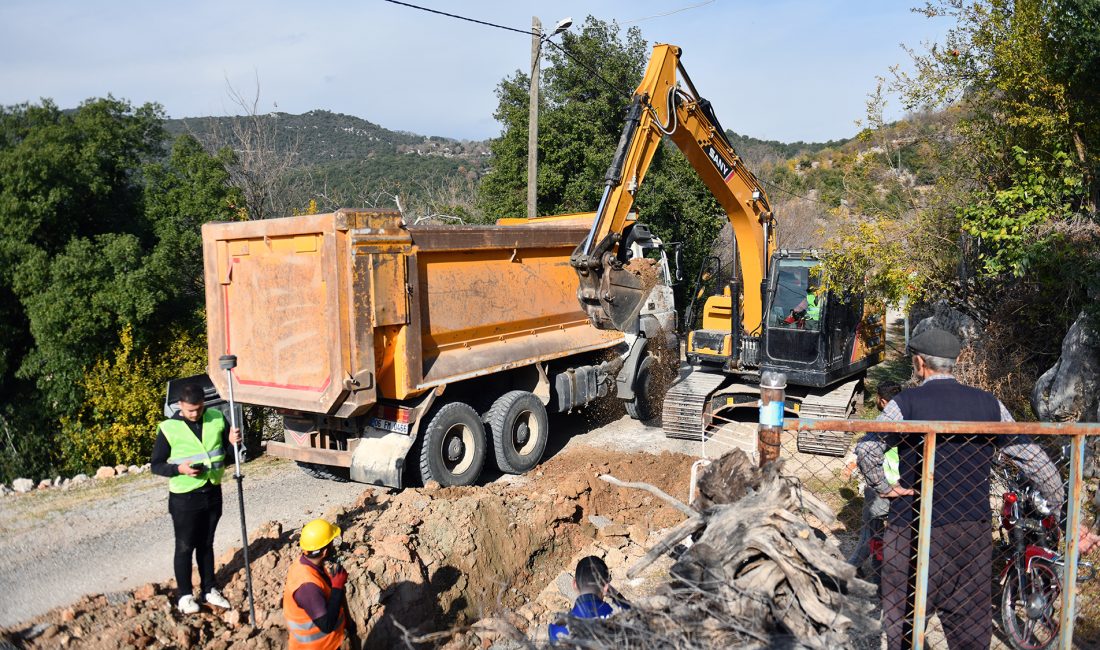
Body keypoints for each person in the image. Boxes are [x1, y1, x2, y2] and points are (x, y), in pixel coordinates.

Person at [856, 328, 1066, 649]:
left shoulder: (905, 403)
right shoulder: (989, 404)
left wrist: (885, 487)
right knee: (970, 625)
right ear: (954, 362)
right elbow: (1032, 457)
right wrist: (1060, 509)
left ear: (919, 363)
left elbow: (868, 448)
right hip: (970, 533)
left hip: (913, 528)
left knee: (906, 624)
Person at [150, 382, 240, 615]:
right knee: (184, 546)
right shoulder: (169, 428)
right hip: (184, 497)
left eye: (199, 408)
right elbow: (156, 465)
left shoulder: (217, 418)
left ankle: (209, 588)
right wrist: (180, 469)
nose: (195, 413)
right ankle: (185, 595)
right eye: (191, 410)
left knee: (206, 544)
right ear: (180, 405)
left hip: (212, 490)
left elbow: (229, 456)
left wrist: (232, 443)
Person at [847, 381, 903, 576]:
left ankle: (853, 567)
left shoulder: (884, 421)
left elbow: (867, 450)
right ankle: (879, 569)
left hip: (883, 482)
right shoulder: (908, 418)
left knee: (871, 530)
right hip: (903, 483)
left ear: (883, 401)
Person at [283, 518, 348, 649]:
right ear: (324, 552)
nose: (333, 547)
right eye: (331, 544)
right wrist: (337, 588)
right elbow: (326, 625)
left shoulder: (304, 563)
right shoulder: (308, 587)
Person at [548, 556, 630, 644]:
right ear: (606, 588)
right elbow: (634, 613)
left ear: (574, 584)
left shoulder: (557, 629)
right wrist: (615, 595)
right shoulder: (620, 615)